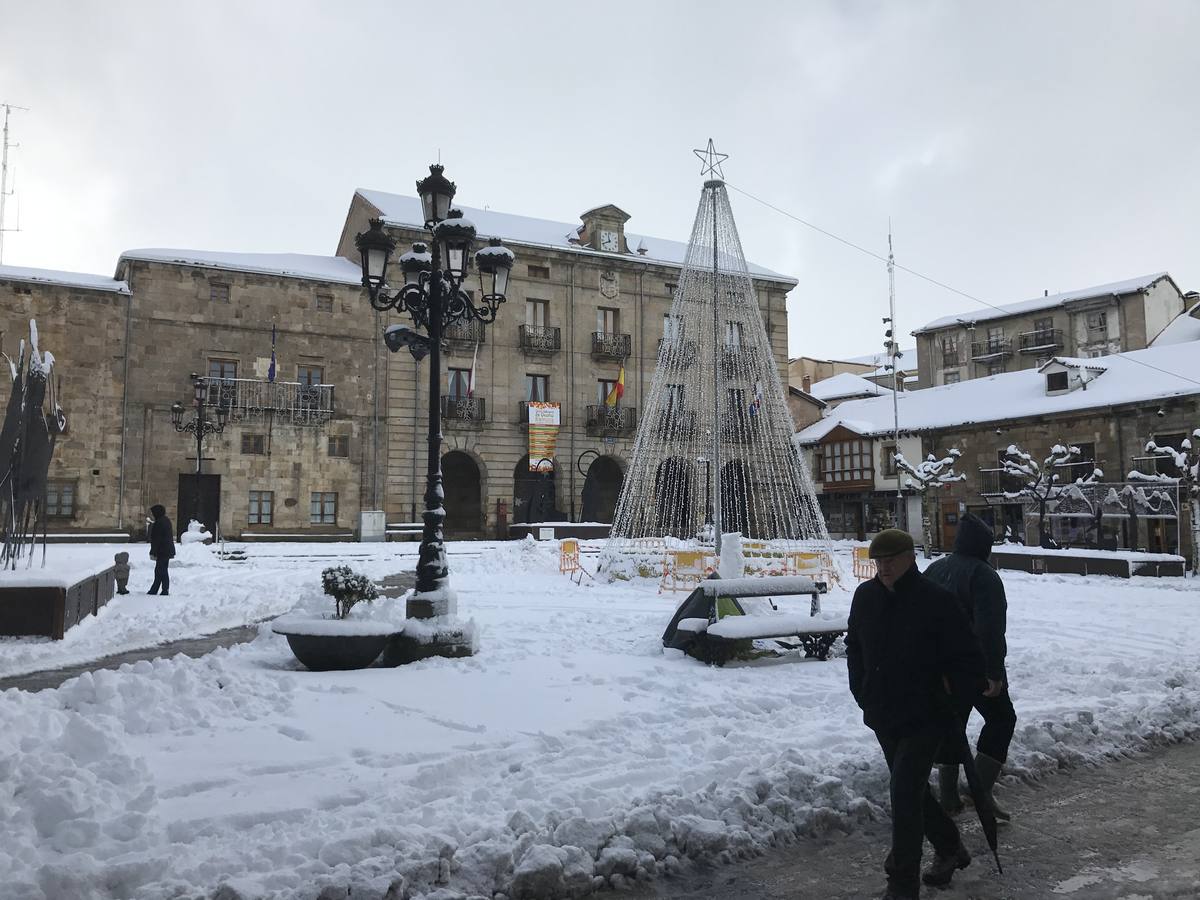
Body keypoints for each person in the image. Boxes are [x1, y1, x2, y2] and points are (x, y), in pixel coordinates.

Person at [845, 529, 986, 900]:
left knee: (904, 790)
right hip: (883, 713)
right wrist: (861, 690)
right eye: (878, 561)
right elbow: (854, 645)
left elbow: (969, 661)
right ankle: (950, 846)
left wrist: (948, 703)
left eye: (891, 559)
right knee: (912, 792)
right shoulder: (866, 596)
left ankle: (902, 882)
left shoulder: (936, 601)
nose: (884, 567)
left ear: (910, 557)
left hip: (926, 716)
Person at [924, 512, 1016, 822]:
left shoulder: (934, 569)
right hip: (972, 668)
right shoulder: (984, 575)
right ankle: (979, 789)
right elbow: (989, 628)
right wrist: (993, 672)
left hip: (938, 667)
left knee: (951, 726)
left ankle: (949, 797)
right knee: (1002, 719)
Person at [147, 504, 175, 596]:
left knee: (161, 570)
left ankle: (163, 590)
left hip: (162, 551)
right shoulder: (165, 520)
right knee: (161, 570)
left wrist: (153, 551)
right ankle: (156, 589)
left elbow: (157, 539)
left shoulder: (159, 522)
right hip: (166, 550)